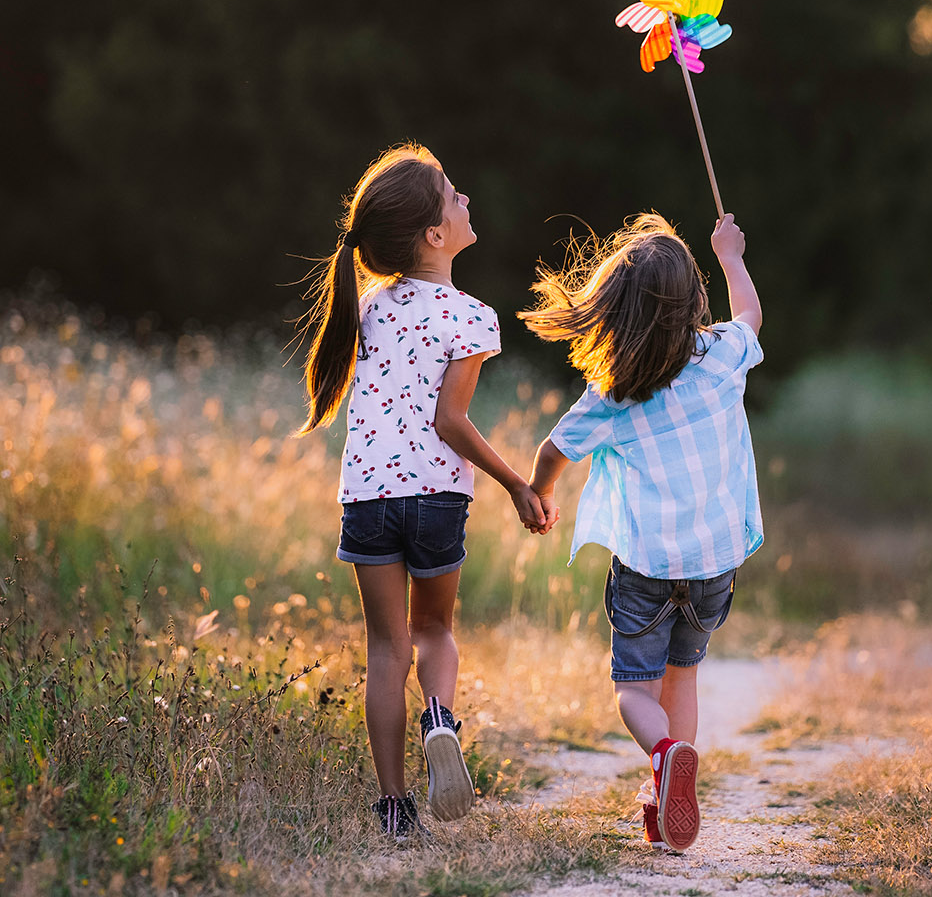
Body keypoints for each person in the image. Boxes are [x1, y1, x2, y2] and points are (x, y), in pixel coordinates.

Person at [297, 145, 549, 841]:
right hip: (436, 496)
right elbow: (450, 422)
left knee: (386, 650)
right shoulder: (472, 315)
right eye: (454, 196)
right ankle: (441, 717)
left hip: (368, 499)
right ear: (435, 235)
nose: (467, 201)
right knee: (434, 631)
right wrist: (516, 483)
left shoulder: (364, 307)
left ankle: (392, 810)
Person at [522, 211, 764, 853]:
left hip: (647, 567)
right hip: (714, 563)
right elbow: (751, 318)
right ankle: (670, 792)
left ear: (618, 310)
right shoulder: (721, 357)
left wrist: (539, 493)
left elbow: (554, 449)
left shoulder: (616, 390)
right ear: (693, 299)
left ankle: (662, 756)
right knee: (682, 675)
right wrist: (732, 255)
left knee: (634, 689)